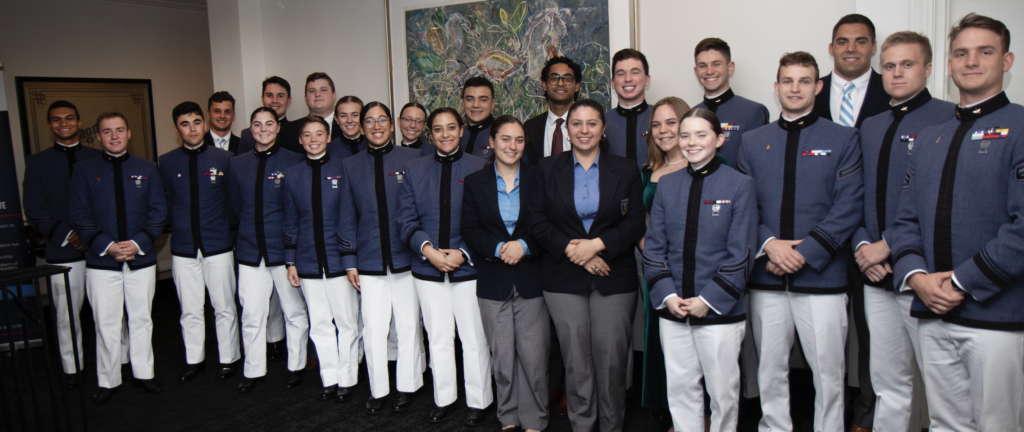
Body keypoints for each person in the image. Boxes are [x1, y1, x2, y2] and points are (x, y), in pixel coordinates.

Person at [890, 13, 1022, 431]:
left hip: (995, 313)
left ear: (1007, 60)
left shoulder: (1021, 127)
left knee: (997, 424)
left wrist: (961, 282)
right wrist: (917, 278)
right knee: (945, 424)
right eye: (961, 53)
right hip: (930, 308)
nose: (971, 61)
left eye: (985, 52)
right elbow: (905, 220)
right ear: (948, 65)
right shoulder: (930, 137)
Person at [736, 52, 863, 432]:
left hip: (823, 281)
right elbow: (743, 208)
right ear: (776, 88)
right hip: (766, 278)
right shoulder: (753, 142)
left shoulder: (843, 138)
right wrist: (770, 246)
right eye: (787, 81)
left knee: (829, 373)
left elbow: (849, 205)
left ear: (818, 87)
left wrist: (804, 253)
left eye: (804, 81)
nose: (795, 88)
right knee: (770, 370)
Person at [853, 31, 953, 431]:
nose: (897, 73)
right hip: (874, 275)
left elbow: (936, 200)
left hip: (924, 273)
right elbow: (856, 194)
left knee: (941, 384)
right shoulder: (871, 125)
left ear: (928, 69)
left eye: (907, 64)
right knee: (888, 381)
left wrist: (887, 246)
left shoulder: (947, 118)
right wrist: (864, 247)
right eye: (890, 65)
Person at [527, 99, 646, 432]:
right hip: (563, 275)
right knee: (576, 360)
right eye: (576, 123)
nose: (584, 130)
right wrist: (571, 249)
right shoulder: (547, 168)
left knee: (611, 359)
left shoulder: (625, 168)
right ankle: (583, 424)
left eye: (592, 123)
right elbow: (537, 221)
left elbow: (635, 220)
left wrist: (596, 246)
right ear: (567, 129)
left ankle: (612, 425)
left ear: (603, 128)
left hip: (613, 272)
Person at [644, 107, 756, 432]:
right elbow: (654, 249)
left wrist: (706, 300)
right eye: (685, 135)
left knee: (722, 394)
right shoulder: (667, 185)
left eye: (701, 134)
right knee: (680, 390)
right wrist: (668, 295)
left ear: (719, 139)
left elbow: (742, 254)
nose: (692, 142)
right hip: (674, 308)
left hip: (719, 312)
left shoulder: (740, 185)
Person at [398, 107, 493, 425]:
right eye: (438, 129)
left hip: (468, 268)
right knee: (438, 337)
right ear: (431, 133)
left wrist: (462, 253)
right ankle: (445, 397)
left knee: (473, 337)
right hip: (427, 269)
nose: (445, 134)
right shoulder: (414, 169)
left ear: (461, 130)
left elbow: (488, 220)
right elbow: (406, 219)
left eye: (451, 128)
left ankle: (479, 400)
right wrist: (429, 250)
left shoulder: (480, 166)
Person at [69, 112, 166, 403]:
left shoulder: (147, 168)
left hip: (140, 259)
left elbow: (159, 212)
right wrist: (107, 245)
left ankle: (144, 374)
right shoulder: (84, 170)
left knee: (141, 319)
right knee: (106, 322)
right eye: (107, 131)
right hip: (101, 262)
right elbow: (80, 216)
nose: (114, 136)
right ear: (98, 136)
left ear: (129, 133)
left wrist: (138, 243)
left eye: (119, 130)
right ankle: (108, 380)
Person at [337, 102, 425, 414]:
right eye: (370, 121)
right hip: (370, 261)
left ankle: (408, 385)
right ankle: (378, 389)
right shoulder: (350, 166)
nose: (376, 126)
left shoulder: (412, 158)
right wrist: (350, 261)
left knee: (407, 326)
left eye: (382, 120)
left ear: (392, 125)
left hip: (407, 259)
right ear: (361, 128)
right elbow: (346, 216)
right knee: (373, 328)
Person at [462, 115, 548, 432]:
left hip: (531, 278)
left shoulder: (539, 178)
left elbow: (547, 225)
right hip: (493, 279)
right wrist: (500, 248)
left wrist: (523, 245)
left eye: (519, 140)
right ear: (492, 142)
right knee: (503, 359)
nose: (512, 146)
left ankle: (535, 420)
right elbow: (469, 230)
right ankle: (508, 418)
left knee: (534, 358)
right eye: (506, 139)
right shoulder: (475, 182)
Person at [23, 100, 104, 389]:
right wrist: (69, 235)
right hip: (62, 250)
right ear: (49, 125)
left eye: (69, 118)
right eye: (56, 120)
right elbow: (34, 209)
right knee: (66, 315)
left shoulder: (100, 156)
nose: (63, 123)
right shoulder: (37, 162)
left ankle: (119, 361)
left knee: (108, 313)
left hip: (101, 250)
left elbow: (109, 204)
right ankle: (73, 369)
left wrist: (94, 237)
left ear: (80, 123)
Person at [229, 107, 310, 393]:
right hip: (250, 251)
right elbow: (236, 207)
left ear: (278, 128)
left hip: (285, 253)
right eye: (257, 124)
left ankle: (296, 366)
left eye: (269, 124)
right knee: (251, 314)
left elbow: (298, 209)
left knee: (294, 312)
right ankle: (253, 370)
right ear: (250, 129)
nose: (263, 129)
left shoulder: (294, 161)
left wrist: (293, 252)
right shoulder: (237, 164)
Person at [159, 102, 240, 383]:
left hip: (218, 244)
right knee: (190, 308)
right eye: (185, 123)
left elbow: (234, 201)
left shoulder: (225, 158)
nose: (191, 128)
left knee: (224, 306)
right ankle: (194, 359)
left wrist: (228, 232)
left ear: (204, 125)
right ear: (176, 128)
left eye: (196, 122)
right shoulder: (166, 161)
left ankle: (229, 358)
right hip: (183, 247)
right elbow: (165, 201)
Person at [283, 115, 361, 401]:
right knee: (319, 324)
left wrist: (350, 257)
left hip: (340, 261)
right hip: (307, 261)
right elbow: (290, 221)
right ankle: (330, 377)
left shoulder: (345, 169)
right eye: (307, 134)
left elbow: (351, 217)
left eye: (319, 134)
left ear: (329, 137)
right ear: (300, 139)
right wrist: (290, 261)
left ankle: (348, 378)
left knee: (347, 322)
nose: (313, 139)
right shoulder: (291, 175)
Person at [636, 96, 690, 427]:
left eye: (671, 122)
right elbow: (641, 223)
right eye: (656, 124)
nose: (663, 130)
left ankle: (706, 416)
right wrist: (653, 255)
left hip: (697, 270)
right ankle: (674, 413)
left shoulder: (709, 161)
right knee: (662, 343)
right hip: (655, 270)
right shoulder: (649, 171)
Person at [692, 38, 770, 166]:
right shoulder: (691, 114)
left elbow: (759, 165)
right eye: (703, 66)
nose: (709, 71)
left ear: (730, 68)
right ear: (696, 72)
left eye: (716, 64)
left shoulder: (752, 112)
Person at [524, 56, 582, 165]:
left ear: (577, 86)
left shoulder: (588, 126)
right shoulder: (529, 128)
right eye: (554, 78)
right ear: (544, 84)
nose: (560, 83)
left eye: (567, 78)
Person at [605, 48, 653, 169]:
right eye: (621, 74)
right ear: (613, 83)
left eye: (635, 72)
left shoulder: (660, 117)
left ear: (647, 80)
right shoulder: (602, 122)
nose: (628, 79)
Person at [241, 76, 301, 155]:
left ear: (289, 101)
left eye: (280, 96)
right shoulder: (247, 134)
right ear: (262, 99)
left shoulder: (298, 131)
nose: (274, 101)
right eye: (269, 95)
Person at [459, 76, 497, 157]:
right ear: (463, 102)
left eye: (483, 100)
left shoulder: (502, 135)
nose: (476, 105)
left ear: (493, 104)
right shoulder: (456, 136)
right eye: (470, 99)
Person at [304, 72, 340, 140]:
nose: (317, 94)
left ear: (334, 95)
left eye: (323, 90)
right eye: (312, 91)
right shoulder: (289, 130)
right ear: (305, 98)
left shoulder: (348, 127)